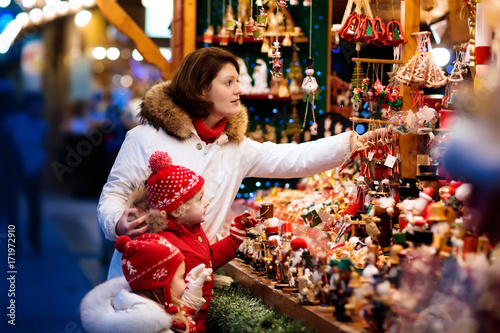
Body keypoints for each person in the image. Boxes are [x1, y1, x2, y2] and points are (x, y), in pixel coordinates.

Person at [97, 46, 386, 278]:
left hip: (193, 278)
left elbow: (296, 158)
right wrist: (118, 223)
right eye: (229, 82)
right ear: (200, 89)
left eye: (238, 81)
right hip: (139, 275)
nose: (239, 90)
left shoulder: (238, 148)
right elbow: (114, 195)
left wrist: (357, 140)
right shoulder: (146, 138)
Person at [123, 150, 257, 331]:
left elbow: (206, 259)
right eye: (200, 199)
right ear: (179, 210)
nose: (207, 202)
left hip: (198, 315)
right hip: (190, 321)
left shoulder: (192, 230)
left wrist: (235, 237)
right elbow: (169, 302)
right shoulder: (168, 247)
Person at [80, 233, 212, 333]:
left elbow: (173, 320)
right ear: (161, 284)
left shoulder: (132, 305)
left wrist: (191, 300)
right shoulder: (157, 329)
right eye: (181, 277)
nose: (185, 285)